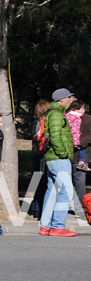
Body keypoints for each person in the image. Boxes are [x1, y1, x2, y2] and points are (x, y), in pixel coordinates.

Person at [39, 88, 77, 236]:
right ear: (61, 100)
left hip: (53, 158)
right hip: (58, 158)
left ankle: (46, 225)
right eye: (69, 97)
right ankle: (57, 226)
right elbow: (55, 136)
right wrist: (63, 153)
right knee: (66, 191)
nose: (71, 100)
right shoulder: (56, 114)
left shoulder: (54, 113)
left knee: (52, 191)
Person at [28, 99, 51, 219]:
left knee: (37, 184)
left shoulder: (35, 122)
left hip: (36, 155)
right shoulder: (42, 122)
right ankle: (40, 209)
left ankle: (36, 209)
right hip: (42, 156)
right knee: (43, 184)